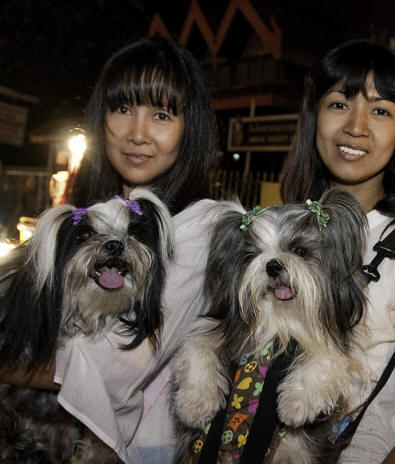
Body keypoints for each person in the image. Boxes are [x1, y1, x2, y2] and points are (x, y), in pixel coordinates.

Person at [0, 36, 218, 463]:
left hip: (138, 450)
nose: (137, 134)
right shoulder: (82, 213)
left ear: (190, 128)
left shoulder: (200, 228)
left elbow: (109, 367)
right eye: (122, 109)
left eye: (161, 115)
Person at [280, 39, 395, 464]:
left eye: (380, 111)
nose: (356, 127)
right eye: (339, 104)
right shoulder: (280, 230)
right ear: (314, 116)